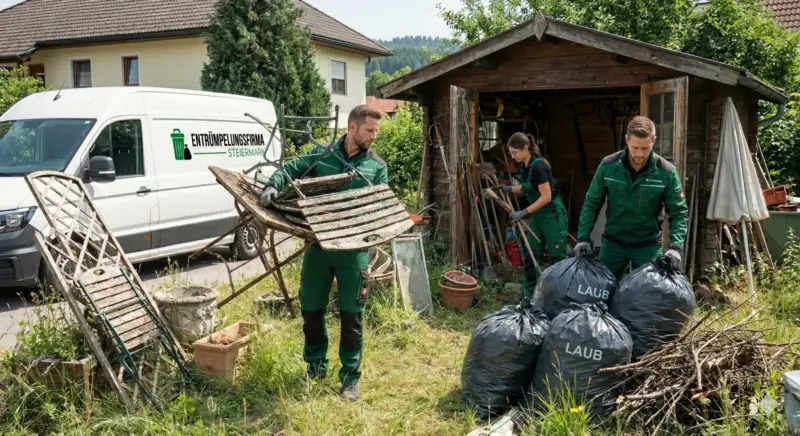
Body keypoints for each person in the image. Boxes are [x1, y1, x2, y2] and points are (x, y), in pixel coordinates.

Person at [259, 105, 388, 402]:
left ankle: (350, 379)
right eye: (370, 130)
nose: (374, 137)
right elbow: (289, 170)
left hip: (353, 252)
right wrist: (271, 185)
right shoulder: (322, 154)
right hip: (318, 247)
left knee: (351, 316)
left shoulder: (376, 166)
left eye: (377, 131)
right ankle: (315, 368)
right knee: (312, 309)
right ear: (352, 128)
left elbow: (380, 204)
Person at [573, 116, 689, 278]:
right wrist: (583, 237)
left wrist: (675, 247)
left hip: (647, 246)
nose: (640, 154)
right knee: (603, 291)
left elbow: (679, 213)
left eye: (645, 148)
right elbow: (592, 203)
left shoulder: (666, 173)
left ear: (653, 141)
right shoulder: (608, 166)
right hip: (613, 244)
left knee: (646, 296)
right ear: (626, 140)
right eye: (635, 148)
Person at [500, 132, 569, 298]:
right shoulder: (524, 165)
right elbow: (528, 187)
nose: (513, 156)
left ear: (525, 148)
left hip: (552, 215)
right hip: (538, 216)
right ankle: (530, 296)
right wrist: (508, 189)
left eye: (515, 153)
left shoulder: (539, 166)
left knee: (556, 258)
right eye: (511, 153)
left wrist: (523, 212)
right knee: (531, 255)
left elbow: (546, 196)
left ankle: (559, 298)